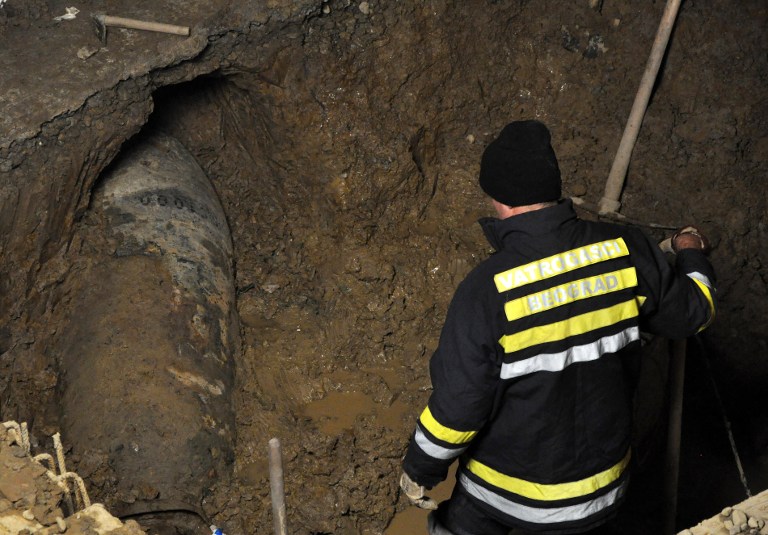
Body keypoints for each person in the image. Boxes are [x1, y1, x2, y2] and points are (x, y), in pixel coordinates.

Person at [398, 120, 716, 535]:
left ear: (496, 198)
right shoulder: (626, 251)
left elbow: (459, 407)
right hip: (602, 495)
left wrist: (420, 468)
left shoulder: (486, 290)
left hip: (504, 495)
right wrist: (690, 252)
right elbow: (697, 312)